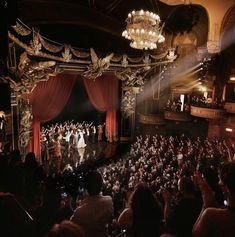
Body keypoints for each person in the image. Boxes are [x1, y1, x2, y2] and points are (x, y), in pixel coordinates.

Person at [192, 162, 235, 237]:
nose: (219, 183)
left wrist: (206, 204)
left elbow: (195, 234)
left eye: (220, 179)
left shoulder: (211, 216)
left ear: (226, 188)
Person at [71, 171, 113, 237]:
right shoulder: (109, 201)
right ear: (101, 185)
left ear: (86, 187)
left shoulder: (79, 212)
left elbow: (70, 227)